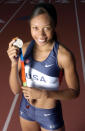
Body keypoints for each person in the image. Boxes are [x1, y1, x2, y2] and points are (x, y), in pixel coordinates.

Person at [7, 3, 80, 131]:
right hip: (26, 110)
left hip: (49, 114)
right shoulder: (25, 48)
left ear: (54, 26)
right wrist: (13, 64)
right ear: (30, 27)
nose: (41, 34)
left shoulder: (63, 56)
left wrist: (44, 93)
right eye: (35, 28)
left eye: (46, 28)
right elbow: (16, 91)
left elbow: (74, 92)